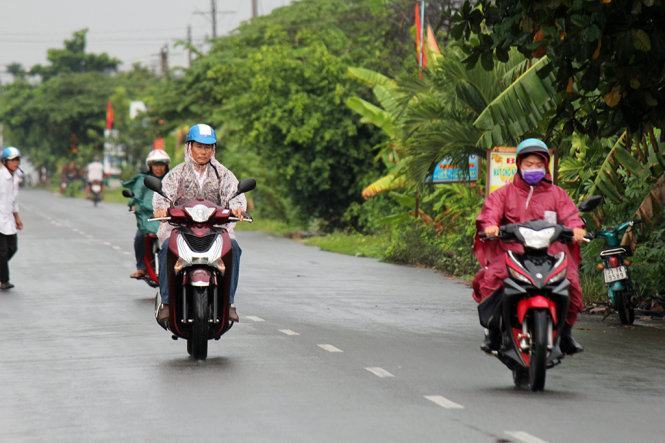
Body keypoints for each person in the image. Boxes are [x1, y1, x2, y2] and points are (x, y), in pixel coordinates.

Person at [473, 138, 586, 355]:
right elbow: (491, 212)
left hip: (552, 254)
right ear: (519, 166)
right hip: (513, 252)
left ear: (545, 167)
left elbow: (571, 215)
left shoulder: (557, 194)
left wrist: (577, 229)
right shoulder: (504, 193)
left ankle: (566, 333)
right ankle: (494, 333)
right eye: (528, 164)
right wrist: (491, 227)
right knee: (491, 279)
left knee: (571, 281)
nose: (533, 169)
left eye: (538, 165)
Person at [153, 124, 246, 325]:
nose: (204, 151)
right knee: (166, 249)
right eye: (199, 146)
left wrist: (238, 207)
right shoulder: (176, 174)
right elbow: (163, 195)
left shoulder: (223, 174)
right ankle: (167, 303)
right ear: (190, 146)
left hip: (216, 229)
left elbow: (235, 193)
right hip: (180, 228)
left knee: (235, 249)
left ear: (213, 149)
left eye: (208, 147)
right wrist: (161, 208)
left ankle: (229, 303)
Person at [123, 149, 170, 279]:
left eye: (161, 165)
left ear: (166, 166)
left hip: (168, 219)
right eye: (156, 165)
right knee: (139, 237)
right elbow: (136, 195)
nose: (159, 168)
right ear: (150, 166)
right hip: (148, 218)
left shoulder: (172, 178)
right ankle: (142, 267)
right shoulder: (142, 180)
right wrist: (134, 204)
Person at [0, 147, 24, 290]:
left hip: (8, 219)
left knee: (13, 248)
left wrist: (17, 218)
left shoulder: (15, 178)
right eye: (13, 160)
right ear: (5, 162)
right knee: (2, 251)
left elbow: (13, 201)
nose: (16, 163)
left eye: (17, 160)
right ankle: (4, 280)